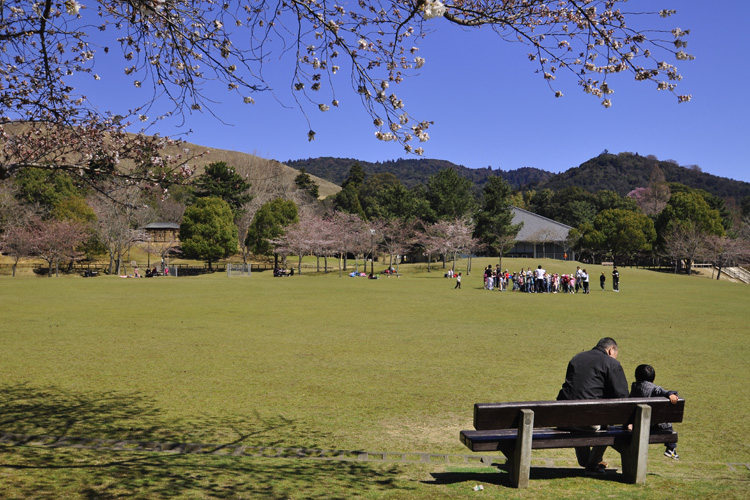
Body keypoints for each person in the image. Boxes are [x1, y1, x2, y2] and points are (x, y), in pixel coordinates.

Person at [557, 338, 629, 475]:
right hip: (588, 420)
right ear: (611, 350)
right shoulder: (611, 363)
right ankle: (592, 461)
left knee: (580, 414)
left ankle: (587, 460)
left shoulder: (577, 358)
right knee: (606, 419)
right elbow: (622, 395)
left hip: (563, 417)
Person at [629, 364, 680, 460]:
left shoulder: (634, 387)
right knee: (666, 422)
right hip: (654, 426)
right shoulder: (652, 388)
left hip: (638, 424)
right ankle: (671, 447)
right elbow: (661, 391)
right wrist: (671, 394)